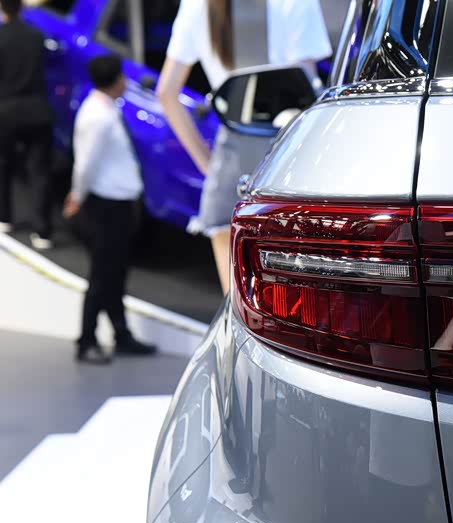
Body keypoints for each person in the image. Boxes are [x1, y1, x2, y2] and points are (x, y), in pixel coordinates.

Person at [157, 0, 331, 294]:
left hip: (231, 170)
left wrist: (208, 164)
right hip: (289, 166)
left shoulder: (198, 5)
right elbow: (304, 92)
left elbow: (166, 92)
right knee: (295, 303)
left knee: (236, 306)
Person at [63, 55, 157, 364]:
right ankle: (86, 340)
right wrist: (77, 196)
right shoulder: (97, 116)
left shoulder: (105, 109)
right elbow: (85, 164)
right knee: (102, 275)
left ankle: (121, 333)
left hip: (118, 202)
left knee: (115, 273)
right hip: (106, 206)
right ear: (116, 80)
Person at [0, 0, 54, 249]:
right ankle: (42, 230)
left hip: (6, 111)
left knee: (3, 166)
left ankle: (4, 217)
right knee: (39, 171)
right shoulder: (36, 36)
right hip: (37, 109)